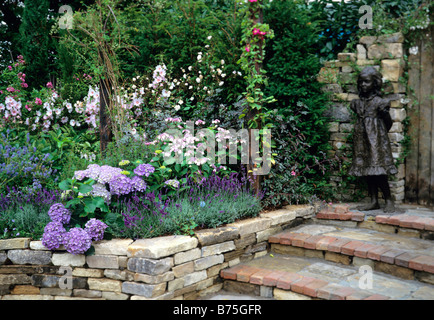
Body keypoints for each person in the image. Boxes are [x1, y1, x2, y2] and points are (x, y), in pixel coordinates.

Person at [348, 66, 397, 213]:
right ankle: (374, 201)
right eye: (361, 82)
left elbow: (388, 123)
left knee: (379, 172)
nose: (363, 85)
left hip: (376, 142)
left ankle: (388, 200)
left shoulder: (380, 103)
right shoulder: (357, 104)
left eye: (367, 82)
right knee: (367, 171)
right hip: (361, 141)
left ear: (374, 83)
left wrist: (378, 136)